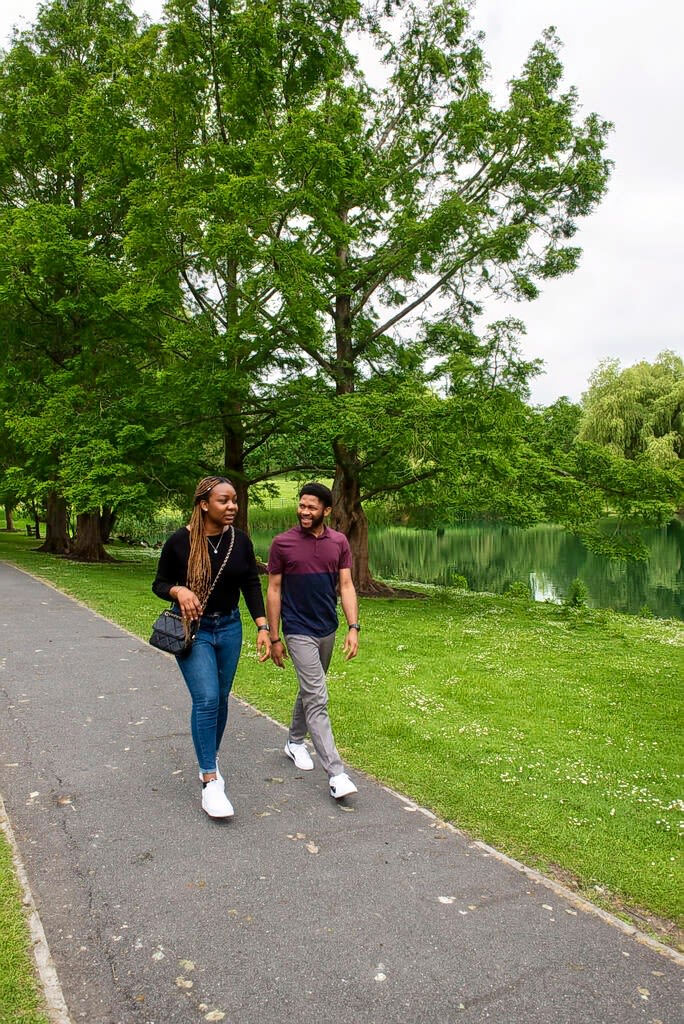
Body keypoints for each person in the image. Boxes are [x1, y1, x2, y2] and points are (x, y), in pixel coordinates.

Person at [152, 476, 270, 819]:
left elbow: (250, 584)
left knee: (220, 699)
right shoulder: (180, 541)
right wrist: (179, 591)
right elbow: (160, 583)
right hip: (194, 629)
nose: (232, 506)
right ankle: (209, 780)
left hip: (229, 627)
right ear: (204, 504)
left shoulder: (240, 542)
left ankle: (209, 756)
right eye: (224, 500)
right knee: (205, 698)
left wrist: (263, 627)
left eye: (234, 500)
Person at [266, 482, 360, 800]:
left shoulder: (339, 542)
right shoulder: (283, 544)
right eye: (301, 506)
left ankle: (294, 741)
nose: (304, 512)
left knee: (310, 687)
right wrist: (275, 635)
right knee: (317, 697)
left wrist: (353, 626)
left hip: (327, 628)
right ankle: (336, 773)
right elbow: (274, 590)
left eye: (311, 507)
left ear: (326, 511)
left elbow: (345, 585)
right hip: (297, 629)